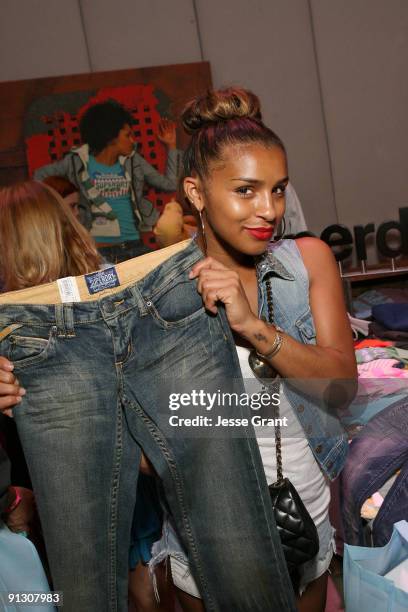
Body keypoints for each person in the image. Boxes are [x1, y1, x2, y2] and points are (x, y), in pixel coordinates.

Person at [145, 87, 356, 612]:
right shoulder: (155, 292)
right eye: (246, 190)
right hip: (204, 527)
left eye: (278, 189)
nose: (269, 210)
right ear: (196, 192)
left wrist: (253, 326)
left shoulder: (307, 262)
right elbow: (147, 449)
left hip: (300, 513)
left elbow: (341, 388)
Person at [0, 181, 172, 611]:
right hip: (45, 490)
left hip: (59, 491)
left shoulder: (93, 298)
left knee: (112, 583)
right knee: (136, 580)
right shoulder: (105, 298)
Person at [34, 100, 181, 263]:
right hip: (97, 252)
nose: (133, 140)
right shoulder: (78, 161)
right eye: (127, 135)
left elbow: (170, 184)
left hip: (134, 246)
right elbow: (39, 177)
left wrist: (171, 146)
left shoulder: (133, 162)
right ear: (111, 137)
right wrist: (63, 205)